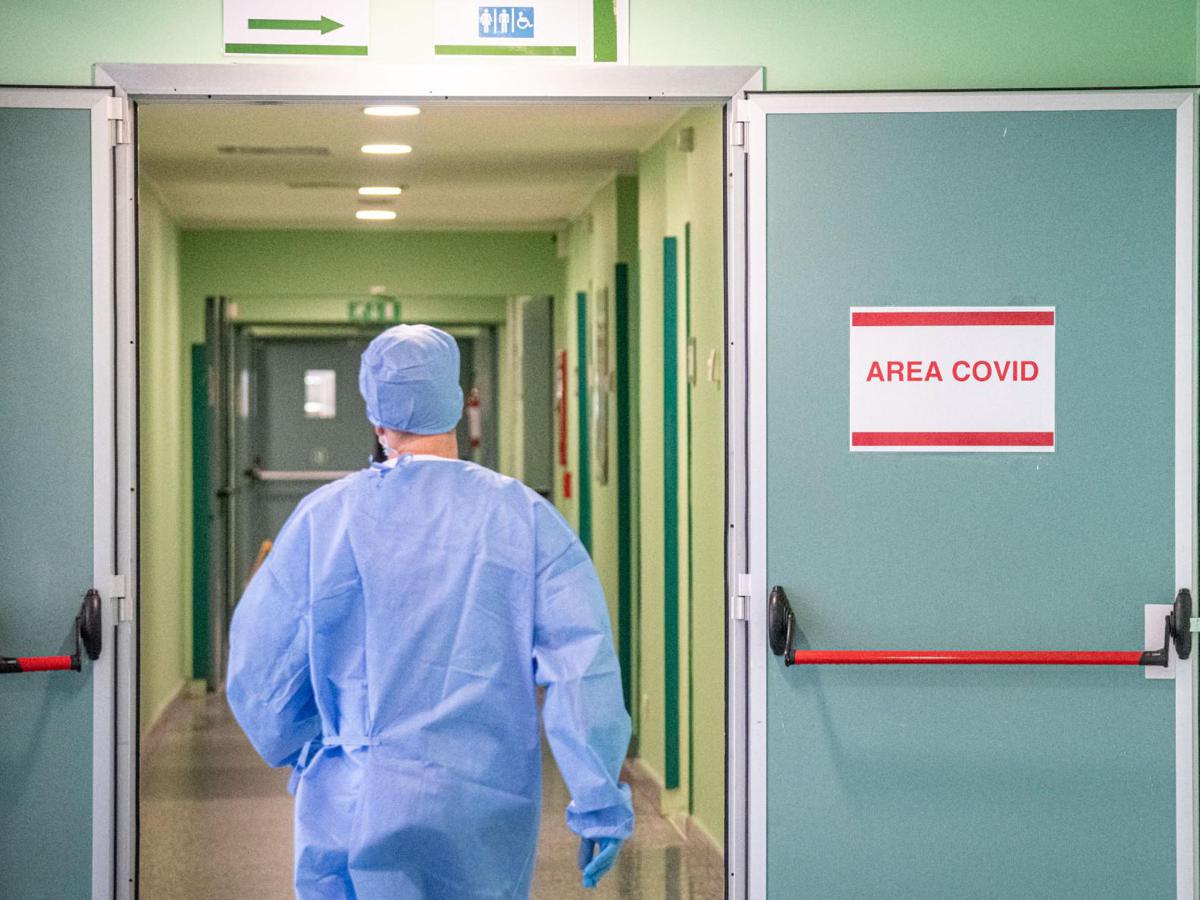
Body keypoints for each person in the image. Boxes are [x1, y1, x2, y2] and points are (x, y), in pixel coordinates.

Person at [227, 324, 633, 898]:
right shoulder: (522, 517)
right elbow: (581, 666)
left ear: (376, 416)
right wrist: (598, 800)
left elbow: (258, 665)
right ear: (456, 403)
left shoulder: (325, 519)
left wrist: (307, 746)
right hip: (480, 799)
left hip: (353, 791)